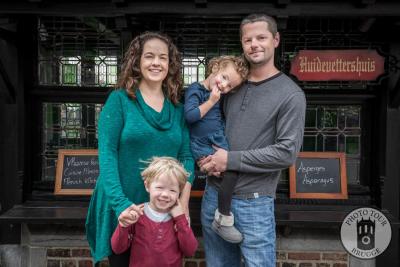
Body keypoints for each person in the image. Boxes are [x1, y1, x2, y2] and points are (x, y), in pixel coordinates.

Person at [199, 14, 306, 267]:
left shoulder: (290, 94)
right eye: (248, 39)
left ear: (276, 39)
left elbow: (286, 153)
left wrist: (229, 160)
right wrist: (204, 158)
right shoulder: (231, 86)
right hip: (213, 194)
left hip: (254, 203)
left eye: (261, 37)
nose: (254, 44)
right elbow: (209, 126)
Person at [85, 31, 195, 266]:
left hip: (164, 207)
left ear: (170, 64)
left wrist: (182, 203)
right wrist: (121, 204)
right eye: (149, 56)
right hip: (125, 206)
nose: (156, 62)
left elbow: (186, 156)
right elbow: (107, 154)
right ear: (137, 61)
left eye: (163, 57)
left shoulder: (177, 109)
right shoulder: (119, 101)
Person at [184, 55, 248, 243]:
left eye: (230, 86)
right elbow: (190, 116)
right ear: (215, 68)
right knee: (228, 172)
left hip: (217, 140)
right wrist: (212, 100)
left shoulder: (218, 94)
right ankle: (223, 219)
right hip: (203, 143)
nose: (224, 86)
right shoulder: (196, 89)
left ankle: (223, 216)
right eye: (225, 78)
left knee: (232, 170)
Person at [111, 157, 198, 267]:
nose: (165, 194)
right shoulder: (137, 214)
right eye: (160, 188)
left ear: (179, 191)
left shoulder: (179, 218)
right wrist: (123, 225)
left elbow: (190, 250)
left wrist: (180, 219)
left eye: (172, 190)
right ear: (147, 185)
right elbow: (117, 248)